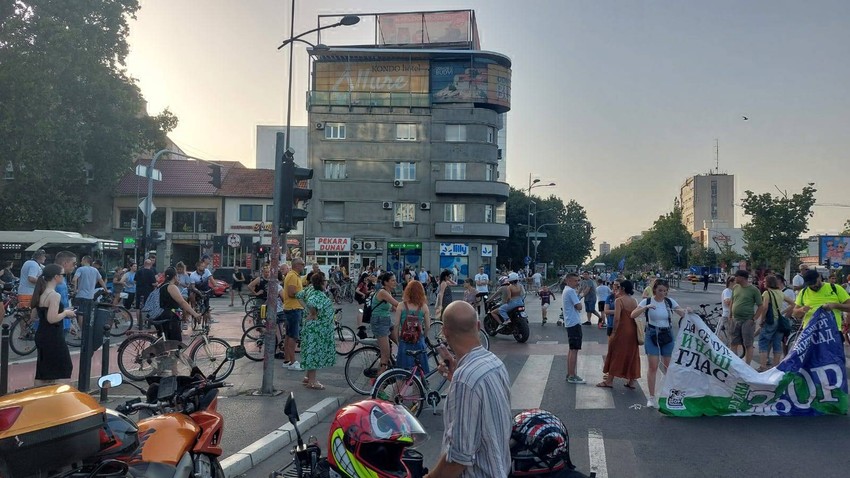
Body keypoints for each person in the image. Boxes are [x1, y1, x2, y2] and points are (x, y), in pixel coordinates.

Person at [424, 301, 511, 478]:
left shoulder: (465, 380)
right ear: (478, 326)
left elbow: (458, 459)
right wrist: (456, 375)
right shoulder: (494, 362)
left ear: (445, 332)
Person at [631, 279, 686, 408]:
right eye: (660, 290)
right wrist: (645, 308)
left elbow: (681, 312)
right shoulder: (648, 301)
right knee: (653, 366)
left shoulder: (669, 302)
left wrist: (686, 311)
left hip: (666, 334)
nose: (662, 293)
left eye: (665, 291)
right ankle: (651, 397)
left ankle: (668, 393)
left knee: (669, 366)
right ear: (654, 289)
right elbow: (633, 315)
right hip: (652, 334)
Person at [32, 264, 76, 386]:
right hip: (53, 336)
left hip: (41, 334)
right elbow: (51, 319)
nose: (63, 277)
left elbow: (33, 316)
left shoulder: (40, 292)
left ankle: (39, 398)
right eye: (62, 274)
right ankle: (59, 398)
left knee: (43, 370)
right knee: (64, 368)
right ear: (56, 277)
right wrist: (66, 312)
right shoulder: (54, 295)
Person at [295, 272, 337, 389]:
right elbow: (312, 302)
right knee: (314, 353)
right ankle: (312, 381)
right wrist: (312, 313)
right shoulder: (317, 294)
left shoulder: (310, 289)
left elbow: (298, 295)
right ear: (322, 282)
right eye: (325, 280)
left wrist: (306, 309)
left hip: (314, 327)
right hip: (317, 328)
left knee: (311, 351)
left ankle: (308, 377)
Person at [599, 280, 640, 389]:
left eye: (619, 287)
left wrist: (614, 332)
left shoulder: (619, 301)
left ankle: (609, 381)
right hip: (632, 329)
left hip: (622, 330)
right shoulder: (634, 301)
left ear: (622, 289)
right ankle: (631, 381)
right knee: (631, 354)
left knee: (615, 353)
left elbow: (617, 318)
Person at [754, 275, 796, 371]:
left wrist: (761, 320)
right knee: (777, 344)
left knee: (763, 342)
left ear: (769, 283)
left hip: (770, 321)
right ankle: (775, 367)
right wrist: (782, 312)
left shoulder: (767, 293)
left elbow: (764, 307)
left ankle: (763, 366)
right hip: (779, 322)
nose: (763, 283)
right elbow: (793, 303)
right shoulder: (780, 293)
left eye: (765, 281)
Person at [793, 269, 850, 334]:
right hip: (811, 333)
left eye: (814, 282)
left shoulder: (835, 288)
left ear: (819, 277)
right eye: (810, 284)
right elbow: (794, 313)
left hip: (833, 333)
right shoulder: (803, 292)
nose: (813, 286)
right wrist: (801, 310)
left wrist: (835, 305)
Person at [154, 267, 202, 341]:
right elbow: (182, 302)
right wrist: (195, 314)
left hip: (161, 315)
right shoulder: (171, 287)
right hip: (169, 317)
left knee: (166, 341)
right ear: (174, 276)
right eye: (177, 275)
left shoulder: (162, 285)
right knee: (176, 343)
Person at [393, 280, 431, 373]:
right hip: (418, 340)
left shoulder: (401, 305)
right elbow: (428, 326)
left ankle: (400, 387)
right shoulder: (424, 306)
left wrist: (398, 339)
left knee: (401, 371)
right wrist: (423, 336)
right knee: (419, 372)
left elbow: (396, 325)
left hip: (404, 340)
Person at [730, 270, 762, 365]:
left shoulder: (754, 290)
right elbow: (733, 301)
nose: (735, 278)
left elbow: (760, 305)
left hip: (747, 320)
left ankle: (747, 366)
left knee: (748, 344)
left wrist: (754, 319)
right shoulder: (735, 287)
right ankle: (734, 364)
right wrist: (730, 315)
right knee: (733, 342)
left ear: (742, 278)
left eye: (736, 276)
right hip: (735, 319)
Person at [372, 272, 400, 376]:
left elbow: (394, 308)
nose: (395, 282)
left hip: (386, 321)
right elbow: (397, 304)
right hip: (379, 322)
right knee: (385, 355)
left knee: (400, 341)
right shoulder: (383, 292)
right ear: (386, 282)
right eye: (392, 280)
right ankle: (379, 386)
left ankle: (397, 368)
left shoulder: (388, 292)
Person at [282, 258, 306, 370]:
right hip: (293, 308)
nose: (304, 266)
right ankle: (292, 361)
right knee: (293, 336)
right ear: (297, 265)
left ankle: (287, 360)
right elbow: (291, 293)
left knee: (288, 335)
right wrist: (302, 293)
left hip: (292, 308)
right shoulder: (292, 276)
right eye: (302, 264)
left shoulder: (294, 275)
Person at [71, 255, 107, 328]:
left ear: (85, 260)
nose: (81, 262)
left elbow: (74, 279)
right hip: (90, 296)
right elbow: (101, 281)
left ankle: (81, 332)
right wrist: (106, 289)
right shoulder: (95, 270)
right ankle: (87, 330)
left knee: (80, 313)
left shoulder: (80, 269)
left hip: (81, 295)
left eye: (81, 260)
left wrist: (74, 289)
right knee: (88, 313)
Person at [562, 273, 585, 384]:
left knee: (572, 349)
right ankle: (572, 375)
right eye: (575, 281)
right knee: (574, 350)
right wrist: (578, 300)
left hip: (570, 322)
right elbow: (579, 306)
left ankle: (570, 373)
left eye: (578, 281)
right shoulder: (570, 291)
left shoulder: (567, 290)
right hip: (574, 323)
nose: (577, 283)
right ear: (568, 281)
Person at [718, 276, 735, 345]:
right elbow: (727, 302)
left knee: (732, 334)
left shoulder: (732, 291)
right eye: (735, 281)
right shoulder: (727, 291)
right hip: (727, 315)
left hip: (731, 315)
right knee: (730, 334)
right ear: (731, 282)